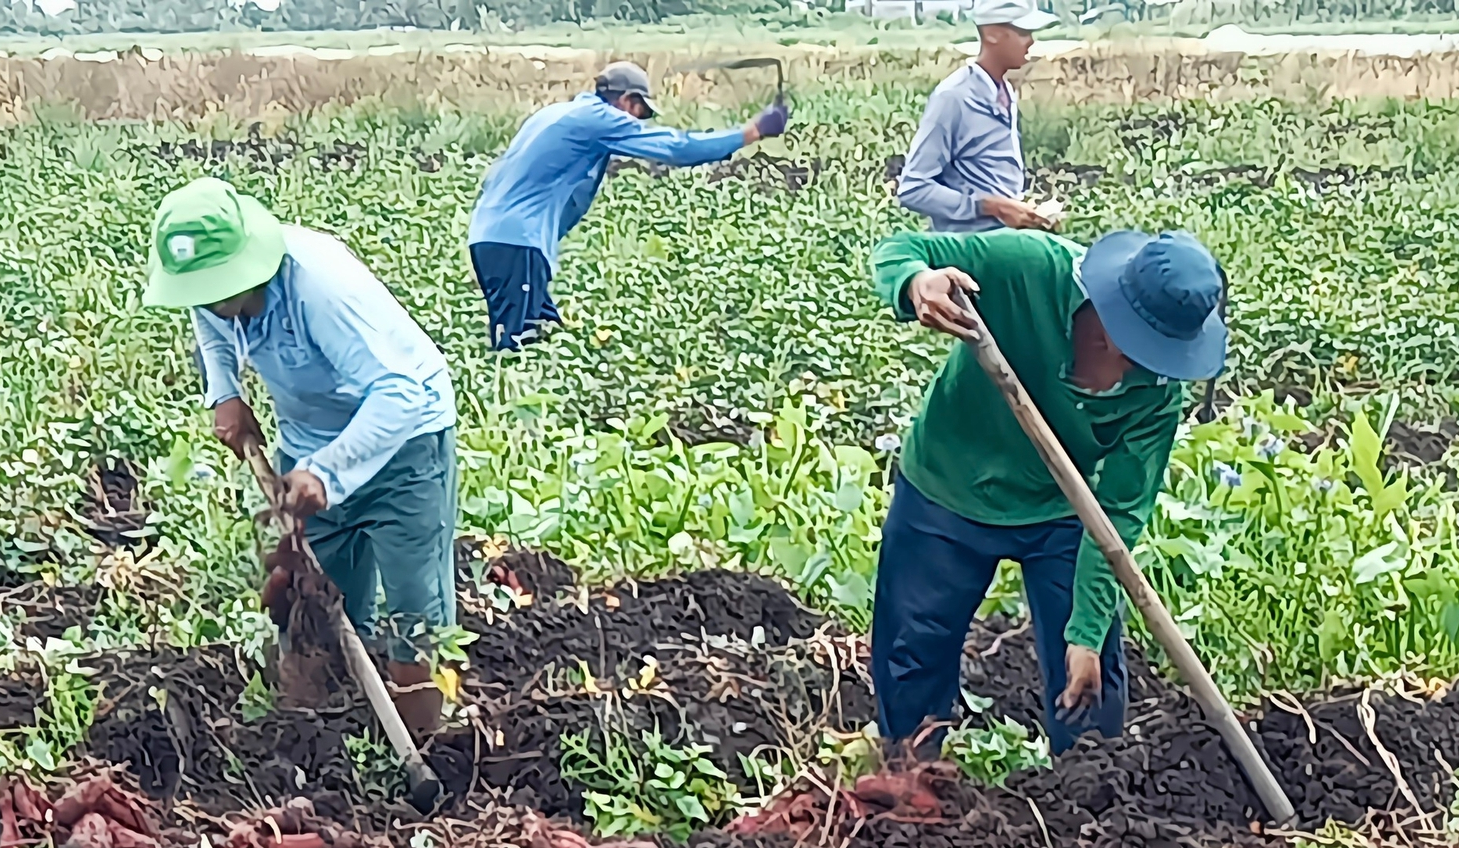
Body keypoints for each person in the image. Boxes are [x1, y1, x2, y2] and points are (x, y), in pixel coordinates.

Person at [866, 225, 1227, 754]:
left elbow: (1120, 512)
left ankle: (1089, 802)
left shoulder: (1158, 395)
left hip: (1062, 506)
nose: (1145, 370)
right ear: (1108, 321)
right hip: (949, 486)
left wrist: (1083, 633)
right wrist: (917, 282)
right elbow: (900, 247)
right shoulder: (1026, 266)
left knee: (1091, 677)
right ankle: (909, 784)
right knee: (913, 650)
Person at [143, 176, 458, 736]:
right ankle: (333, 742)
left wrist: (329, 470)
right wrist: (225, 392)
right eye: (199, 291)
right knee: (315, 601)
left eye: (219, 288)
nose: (211, 302)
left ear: (250, 260)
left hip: (401, 444)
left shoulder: (319, 288)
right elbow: (212, 328)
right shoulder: (213, 294)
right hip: (309, 445)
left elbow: (401, 393)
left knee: (413, 613)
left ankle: (426, 750)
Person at [468, 61, 790, 351]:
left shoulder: (553, 114)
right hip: (515, 241)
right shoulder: (600, 120)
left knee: (546, 334)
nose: (639, 121)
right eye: (641, 112)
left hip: (492, 236)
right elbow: (677, 148)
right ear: (625, 101)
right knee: (516, 345)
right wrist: (752, 132)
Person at [895, 0, 1058, 234]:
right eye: (1022, 32)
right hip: (966, 247)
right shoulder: (954, 97)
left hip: (1003, 241)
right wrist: (987, 207)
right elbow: (914, 188)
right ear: (992, 34)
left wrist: (1021, 212)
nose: (1030, 40)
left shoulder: (1005, 92)